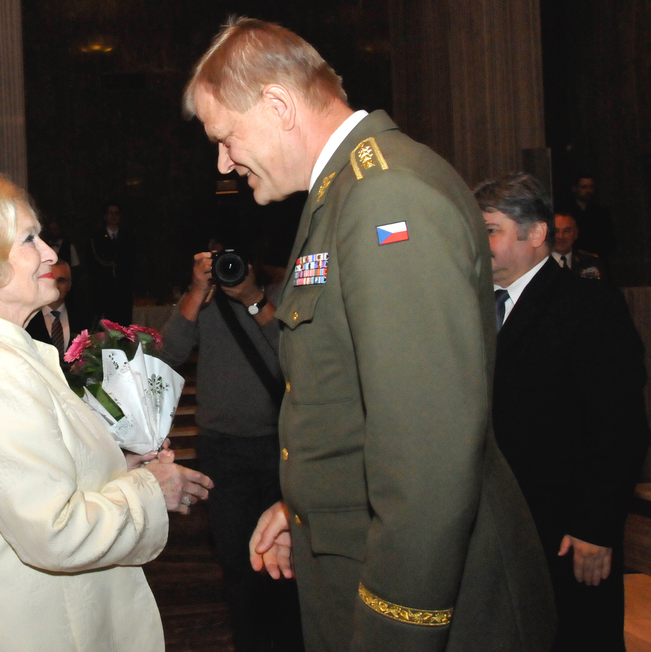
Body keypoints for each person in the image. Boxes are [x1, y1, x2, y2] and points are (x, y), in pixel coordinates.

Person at [183, 17, 555, 650]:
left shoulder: (384, 196)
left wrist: (397, 629)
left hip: (426, 605)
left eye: (226, 137)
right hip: (357, 560)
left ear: (277, 105)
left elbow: (428, 453)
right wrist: (306, 511)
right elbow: (353, 404)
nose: (224, 161)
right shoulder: (346, 192)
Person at [0, 176, 213, 651]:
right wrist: (151, 491)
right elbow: (53, 531)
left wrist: (120, 467)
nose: (50, 253)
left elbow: (35, 475)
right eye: (29, 239)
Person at [477, 172, 650, 652]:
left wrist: (595, 526)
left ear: (535, 234)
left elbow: (619, 427)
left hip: (566, 534)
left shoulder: (589, 305)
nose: (478, 242)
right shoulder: (471, 308)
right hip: (499, 531)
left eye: (489, 229)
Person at [160, 246, 303, 652]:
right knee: (238, 563)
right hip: (222, 449)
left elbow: (296, 356)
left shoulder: (282, 292)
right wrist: (195, 289)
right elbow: (169, 353)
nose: (231, 270)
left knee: (286, 562)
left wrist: (253, 298)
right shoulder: (204, 302)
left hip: (282, 445)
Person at [24, 259, 92, 357]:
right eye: (51, 280)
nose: (55, 286)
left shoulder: (85, 317)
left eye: (61, 281)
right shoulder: (27, 319)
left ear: (69, 285)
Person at [87, 202, 135, 324]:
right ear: (104, 216)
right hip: (103, 289)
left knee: (124, 324)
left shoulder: (128, 236)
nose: (113, 216)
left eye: (116, 213)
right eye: (110, 213)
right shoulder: (96, 237)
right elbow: (93, 263)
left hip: (123, 289)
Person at [568, 175, 615, 261]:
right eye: (584, 187)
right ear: (575, 189)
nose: (588, 191)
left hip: (596, 258)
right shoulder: (567, 212)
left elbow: (608, 238)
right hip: (572, 258)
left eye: (591, 187)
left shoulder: (601, 212)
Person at [552, 212, 605, 280]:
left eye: (567, 231)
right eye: (556, 231)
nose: (561, 236)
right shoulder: (537, 263)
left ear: (576, 233)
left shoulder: (591, 263)